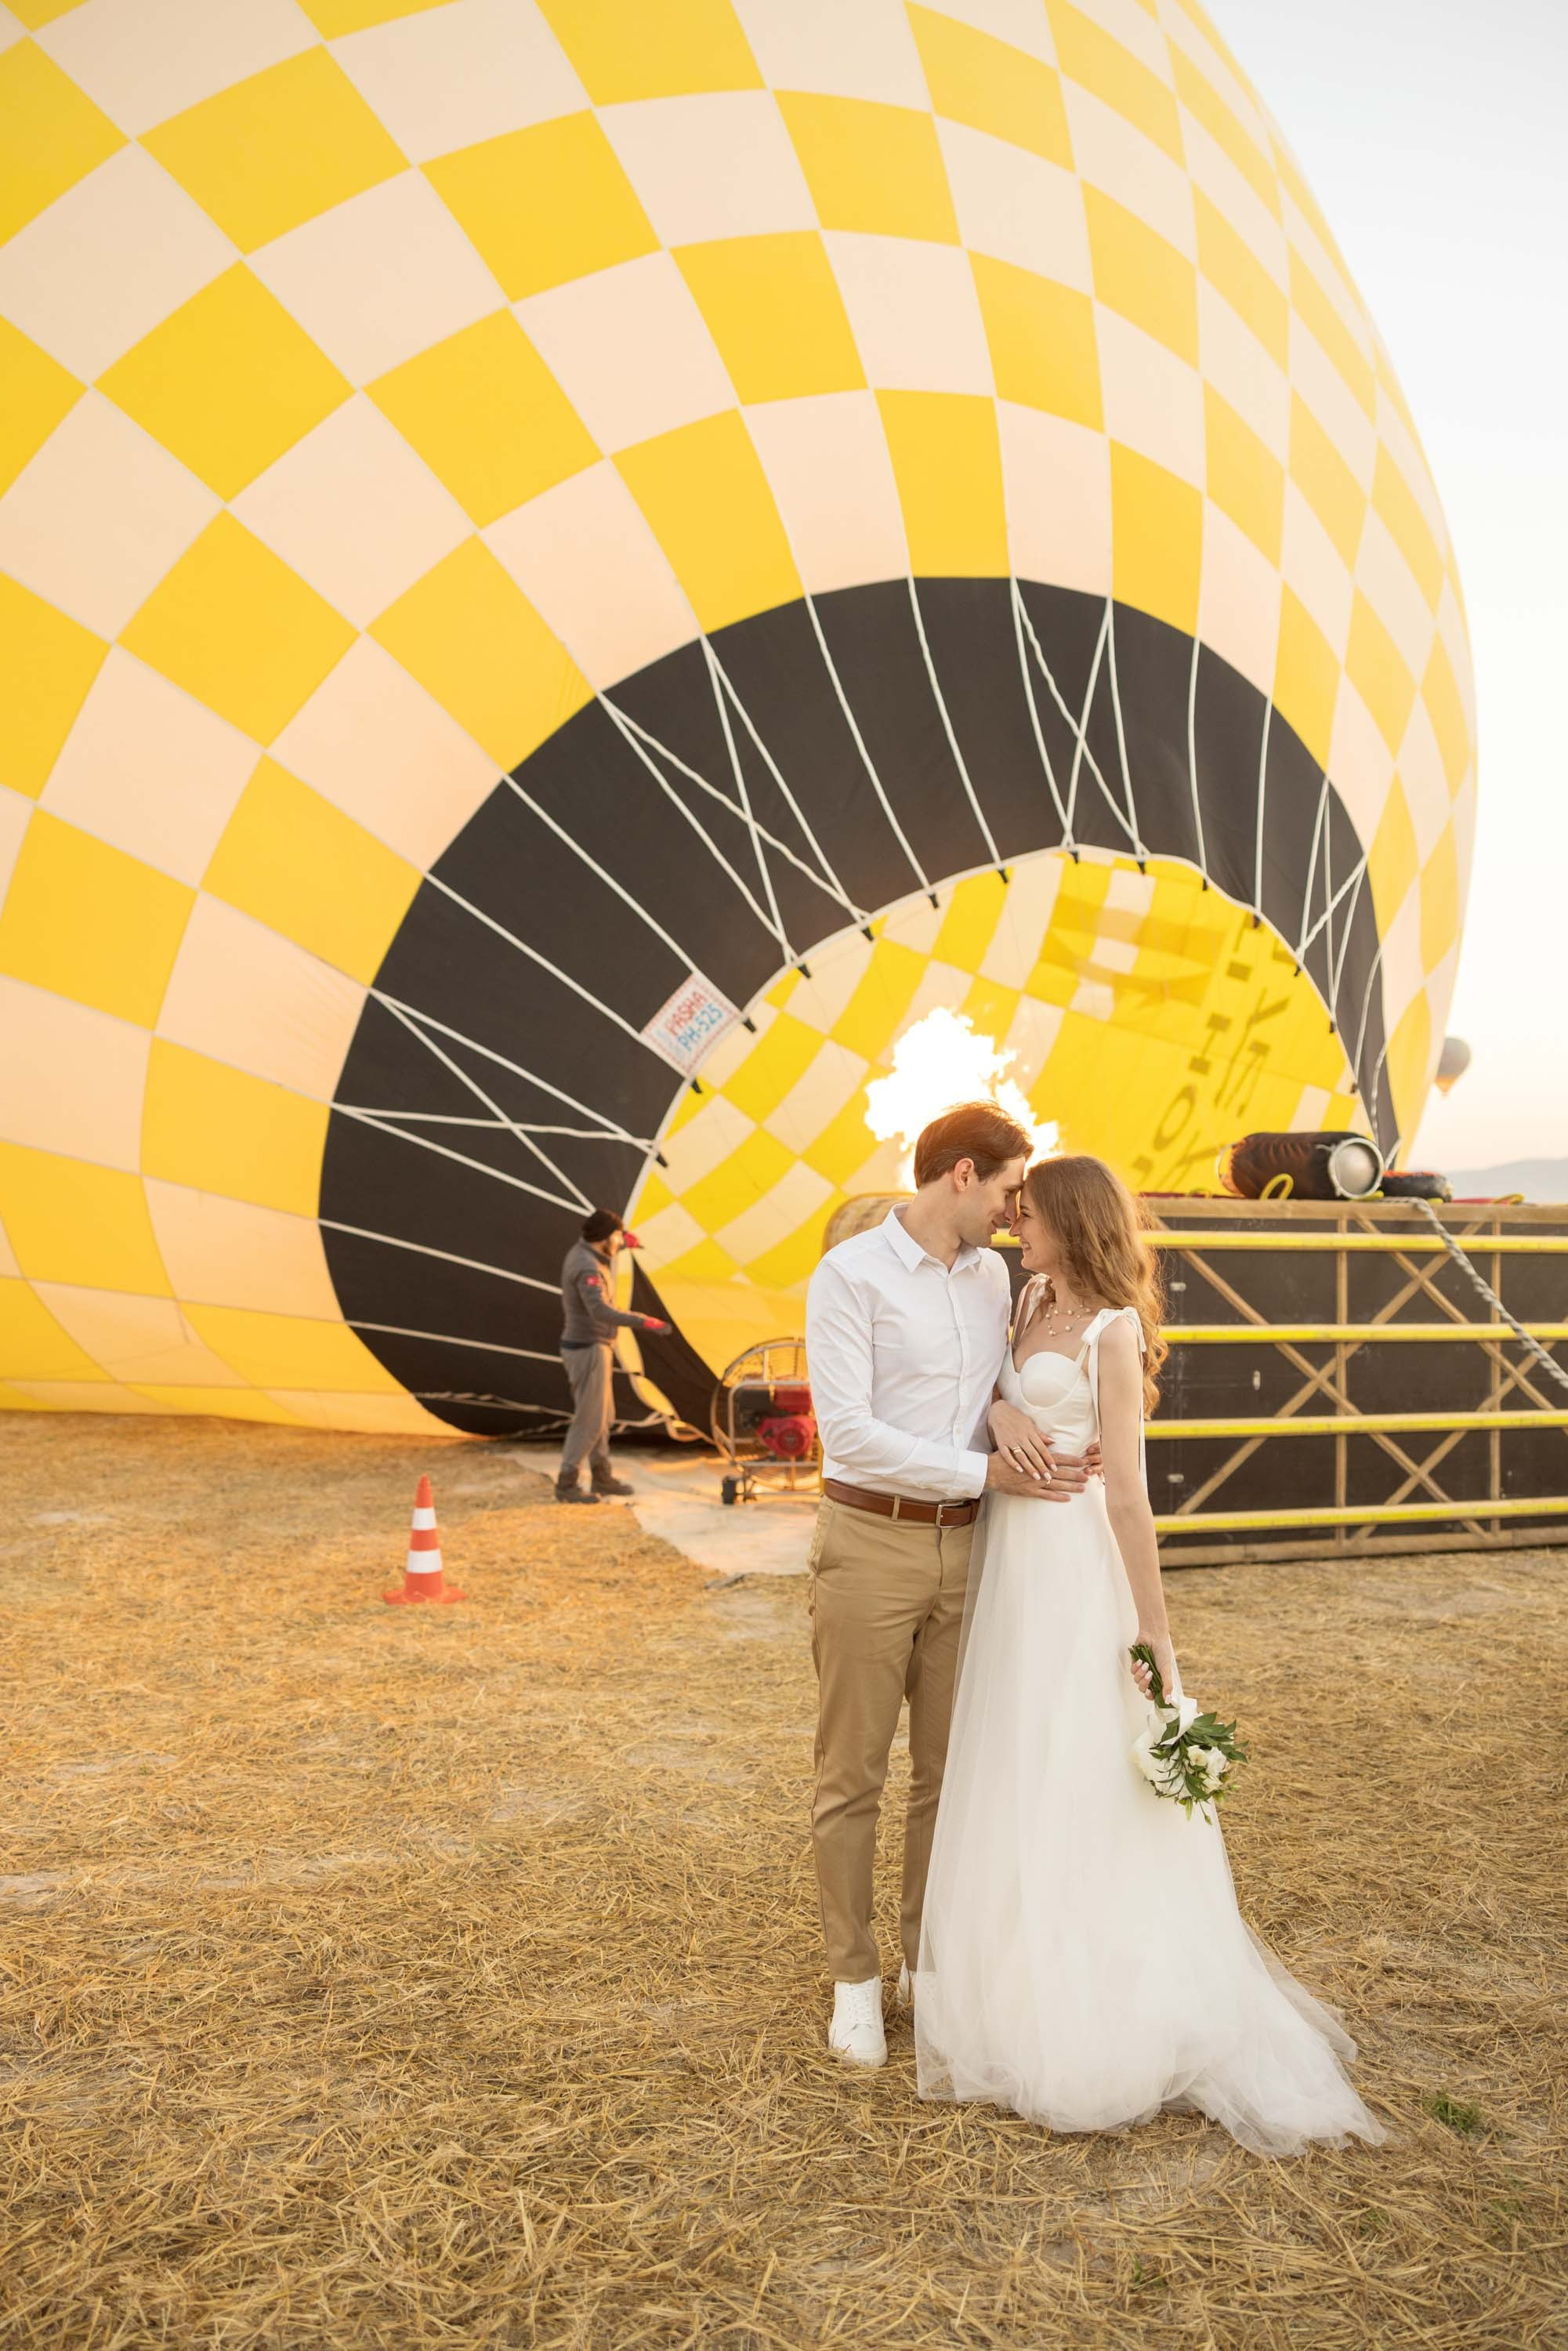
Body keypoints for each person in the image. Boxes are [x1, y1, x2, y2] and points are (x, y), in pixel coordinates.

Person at [914, 1154, 1385, 2154]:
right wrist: (1001, 1410)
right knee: (1014, 1759)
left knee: (1084, 1766)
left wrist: (1155, 1634)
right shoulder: (1031, 1293)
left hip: (1076, 1563)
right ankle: (1014, 1980)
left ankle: (1106, 2007)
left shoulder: (1112, 1331)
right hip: (1014, 1555)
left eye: (1030, 1215)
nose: (1015, 1226)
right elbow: (997, 1390)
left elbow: (1127, 1492)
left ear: (1072, 1223)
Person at [803, 1104, 1096, 2070]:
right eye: (1013, 1187)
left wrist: (1012, 1408)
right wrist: (988, 1472)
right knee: (854, 1775)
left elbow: (987, 1387)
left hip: (972, 1554)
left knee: (946, 1775)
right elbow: (847, 1433)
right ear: (961, 1175)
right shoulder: (849, 1276)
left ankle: (925, 1969)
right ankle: (853, 1979)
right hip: (871, 1542)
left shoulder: (994, 1280)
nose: (1021, 1210)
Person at [556, 1210, 669, 1507]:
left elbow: (605, 1257)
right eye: (618, 1235)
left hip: (595, 1346)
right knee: (590, 1420)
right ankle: (567, 1482)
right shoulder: (586, 1266)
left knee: (602, 1417)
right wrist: (644, 1321)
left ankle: (602, 1476)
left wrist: (622, 1244)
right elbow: (600, 1310)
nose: (621, 1240)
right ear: (605, 1237)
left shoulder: (590, 1255)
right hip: (588, 1348)